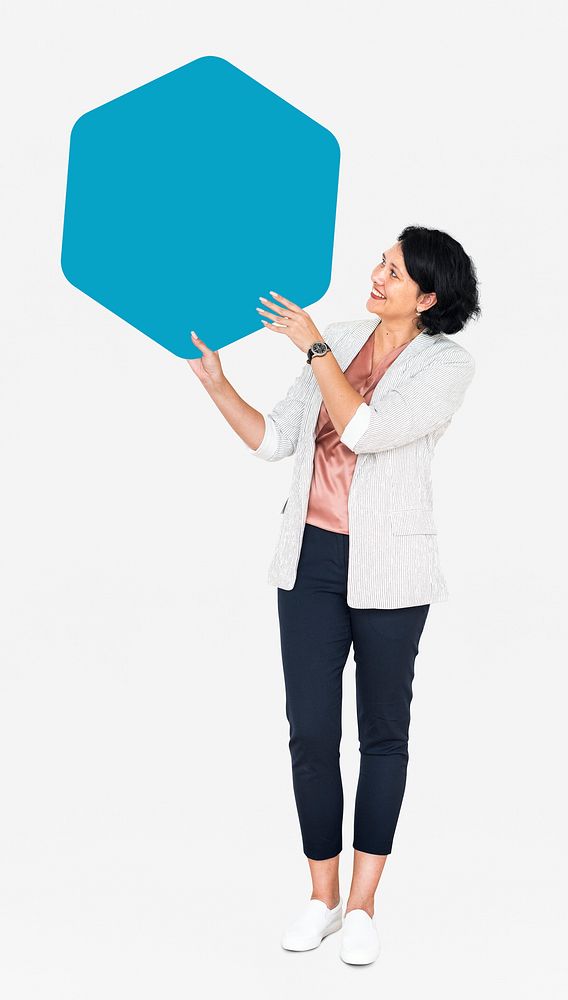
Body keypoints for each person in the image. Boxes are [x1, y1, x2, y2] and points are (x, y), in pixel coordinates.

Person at [187, 225, 480, 965]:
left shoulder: (446, 365)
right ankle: (321, 897)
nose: (377, 276)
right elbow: (274, 441)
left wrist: (315, 350)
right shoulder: (344, 334)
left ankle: (362, 905)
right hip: (311, 560)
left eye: (394, 272)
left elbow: (367, 429)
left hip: (391, 571)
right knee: (310, 734)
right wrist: (219, 383)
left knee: (382, 736)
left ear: (428, 296)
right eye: (380, 263)